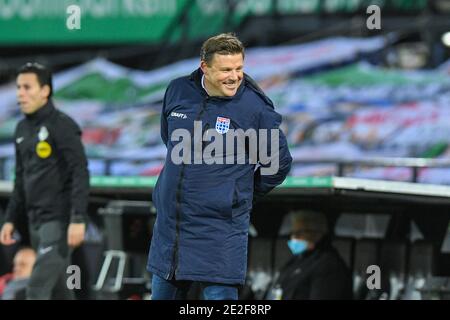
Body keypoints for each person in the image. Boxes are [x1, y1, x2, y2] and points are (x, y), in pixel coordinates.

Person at [147, 33, 292, 300]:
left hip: (218, 234)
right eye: (226, 69)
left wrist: (235, 194)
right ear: (205, 67)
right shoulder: (178, 90)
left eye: (239, 68)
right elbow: (170, 140)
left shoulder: (254, 108)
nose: (234, 76)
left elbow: (278, 165)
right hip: (170, 232)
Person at [0, 62, 90, 299]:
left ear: (45, 91)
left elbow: (80, 171)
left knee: (36, 288)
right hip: (35, 222)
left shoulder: (62, 126)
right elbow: (20, 178)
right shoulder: (21, 129)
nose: (21, 93)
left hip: (58, 222)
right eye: (19, 87)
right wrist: (10, 218)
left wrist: (78, 218)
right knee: (61, 291)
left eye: (27, 87)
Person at [267, 210, 353, 300]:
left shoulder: (329, 265)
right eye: (292, 233)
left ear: (317, 233)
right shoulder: (297, 260)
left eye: (299, 233)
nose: (293, 238)